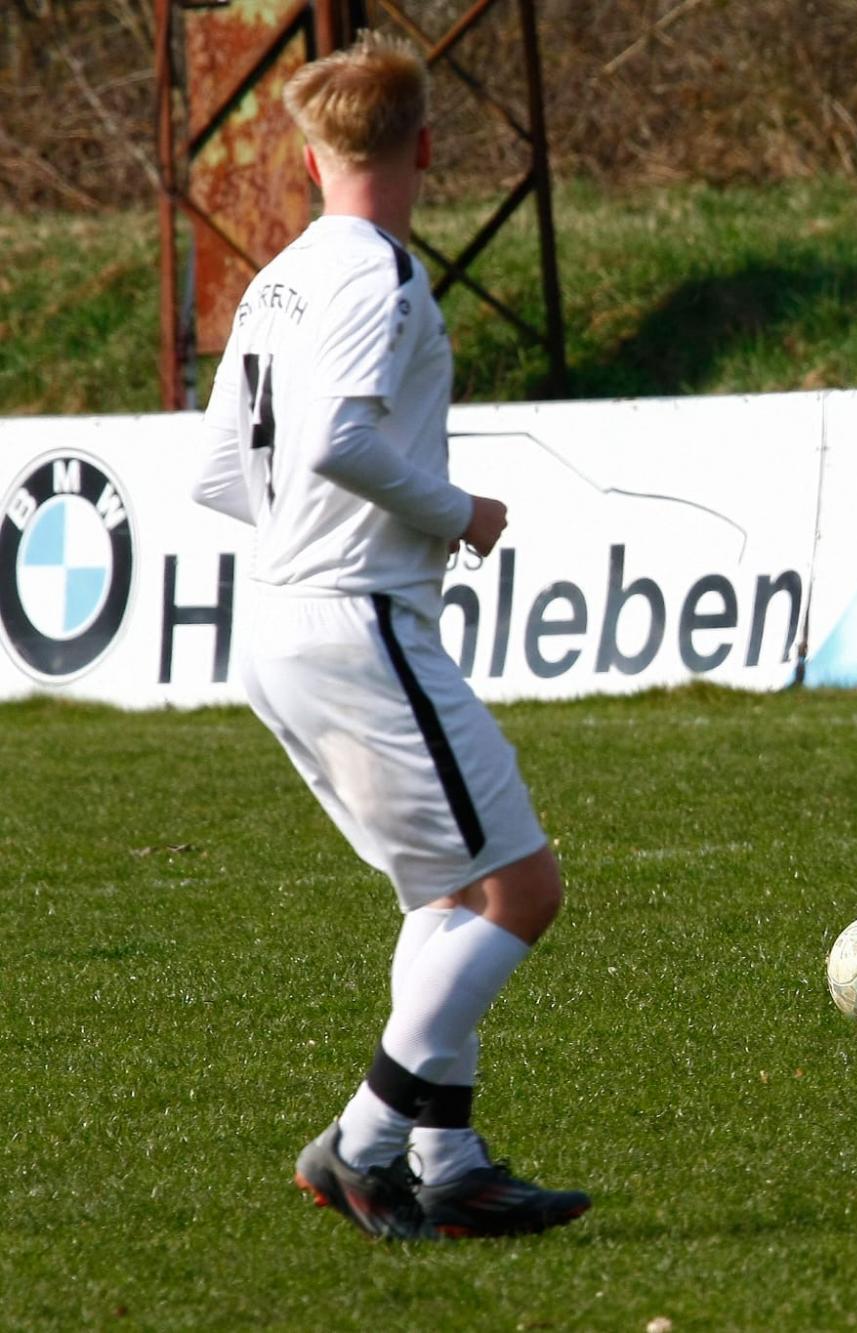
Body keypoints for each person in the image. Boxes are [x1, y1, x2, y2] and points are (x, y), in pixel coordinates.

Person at [191, 31, 589, 1240]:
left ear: (312, 160)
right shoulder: (380, 275)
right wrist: (459, 513)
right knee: (522, 889)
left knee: (446, 894)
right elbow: (336, 443)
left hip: (280, 622)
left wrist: (306, 543)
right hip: (355, 621)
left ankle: (448, 1161)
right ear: (422, 149)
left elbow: (218, 471)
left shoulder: (279, 278)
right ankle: (361, 1144)